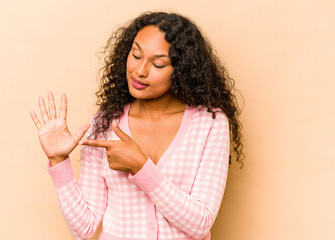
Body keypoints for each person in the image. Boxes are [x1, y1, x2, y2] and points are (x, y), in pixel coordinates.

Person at [30, 11, 243, 240]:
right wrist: (58, 160)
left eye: (158, 64)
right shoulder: (104, 124)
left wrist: (141, 166)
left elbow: (200, 223)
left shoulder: (210, 123)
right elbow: (84, 227)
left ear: (181, 71)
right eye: (136, 55)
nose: (140, 71)